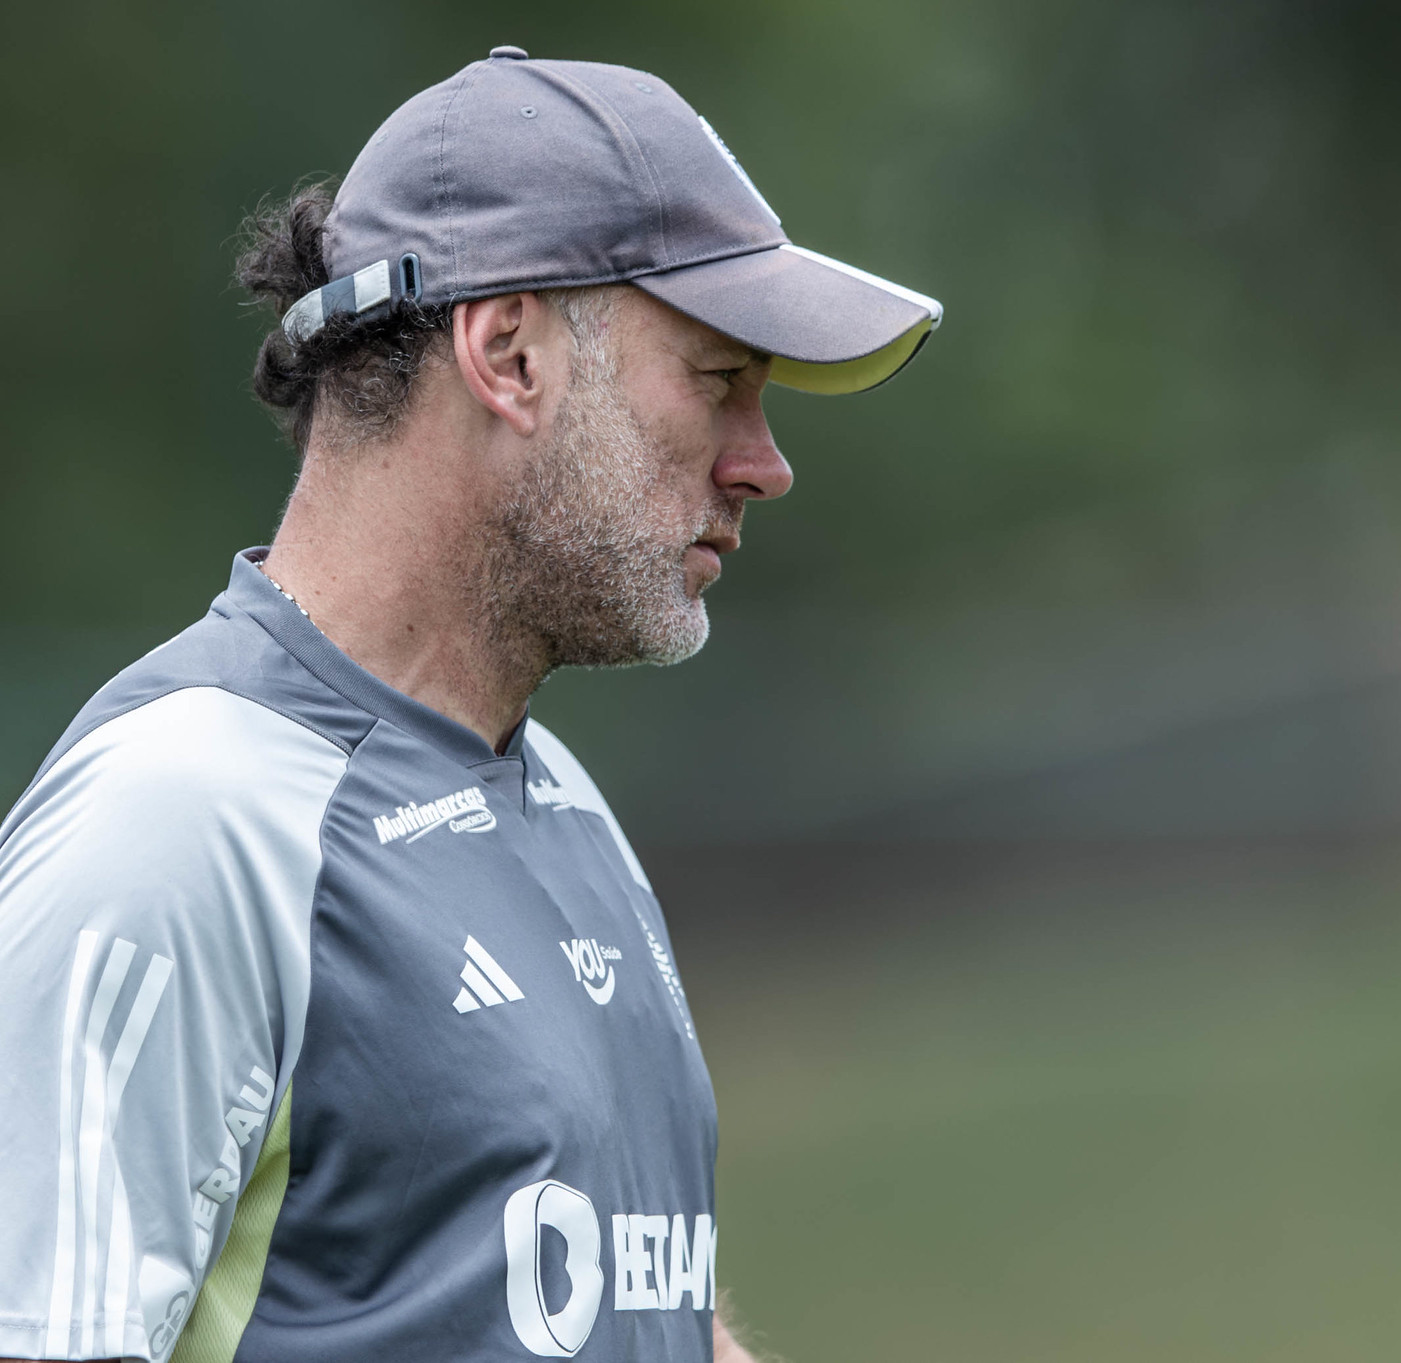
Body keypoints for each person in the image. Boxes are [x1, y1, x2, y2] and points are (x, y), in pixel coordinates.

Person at [0, 47, 940, 1363]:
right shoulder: (181, 823)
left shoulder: (564, 811)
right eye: (720, 378)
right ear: (508, 354)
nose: (764, 464)